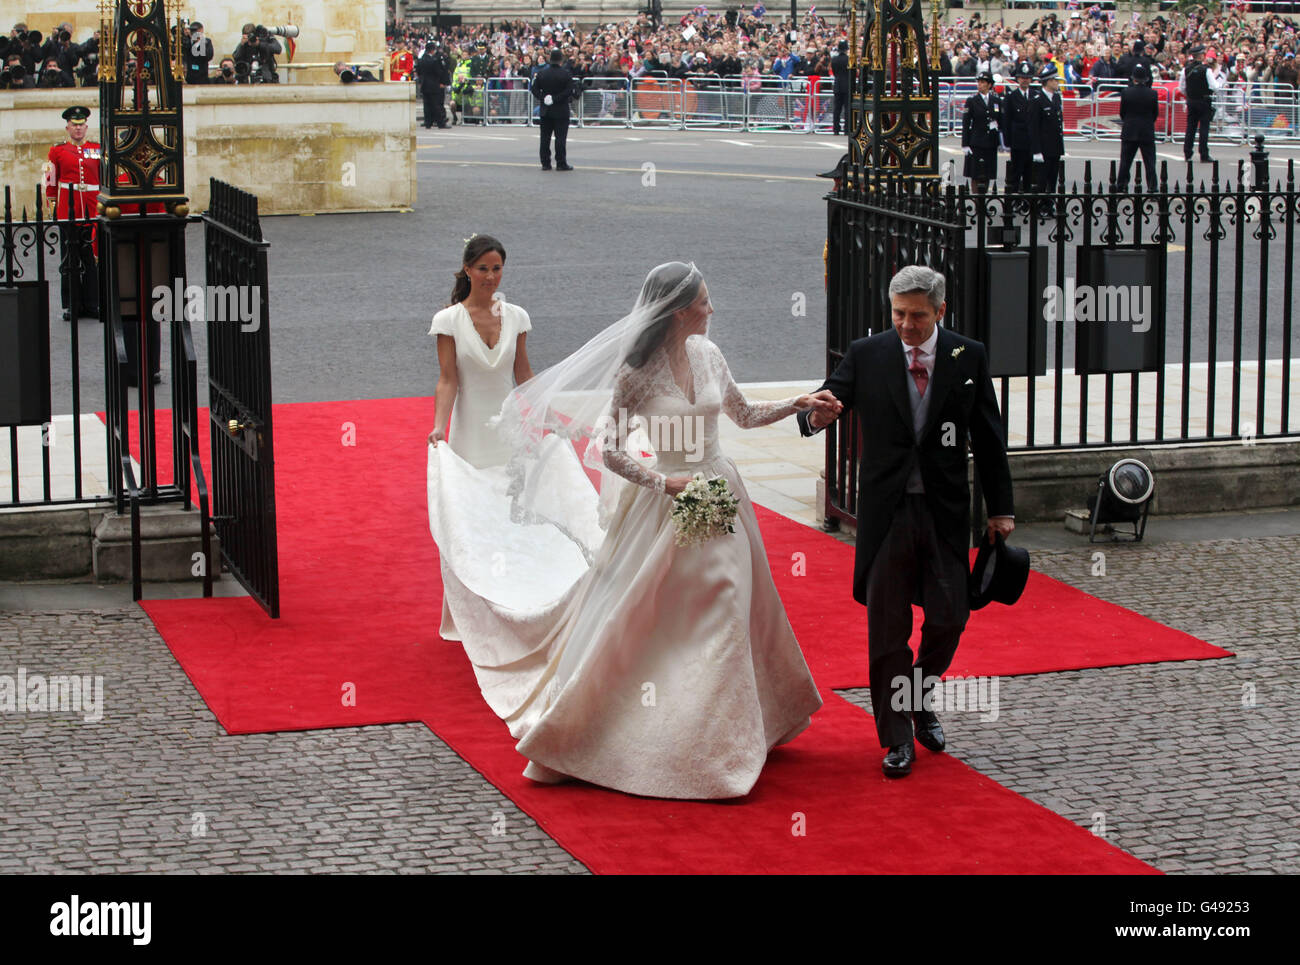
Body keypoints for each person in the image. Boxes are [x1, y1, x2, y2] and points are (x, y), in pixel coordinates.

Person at [427, 261, 835, 798]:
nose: (712, 310)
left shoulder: (709, 355)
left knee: (730, 603)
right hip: (665, 503)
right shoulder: (636, 374)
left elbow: (742, 413)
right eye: (704, 302)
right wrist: (663, 484)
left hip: (720, 495)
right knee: (652, 616)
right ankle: (652, 727)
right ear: (677, 310)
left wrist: (798, 404)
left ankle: (727, 736)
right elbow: (609, 450)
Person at [797, 265, 1015, 778]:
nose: (906, 325)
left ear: (941, 311)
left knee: (949, 617)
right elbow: (827, 400)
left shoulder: (968, 356)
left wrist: (1000, 509)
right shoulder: (868, 353)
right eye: (898, 314)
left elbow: (988, 436)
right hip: (886, 514)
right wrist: (816, 416)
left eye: (917, 315)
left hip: (943, 512)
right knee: (887, 630)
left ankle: (918, 694)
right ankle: (896, 737)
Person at [426, 235, 535, 638]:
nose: (490, 276)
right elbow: (447, 380)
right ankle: (470, 614)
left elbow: (523, 374)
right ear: (468, 270)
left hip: (509, 433)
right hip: (469, 432)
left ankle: (512, 603)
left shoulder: (518, 316)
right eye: (483, 268)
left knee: (511, 516)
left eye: (497, 268)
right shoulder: (448, 321)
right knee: (473, 519)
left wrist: (540, 416)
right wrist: (439, 425)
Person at [41, 105, 100, 322]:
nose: (78, 129)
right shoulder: (57, 151)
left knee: (93, 259)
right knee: (70, 259)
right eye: (74, 125)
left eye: (81, 125)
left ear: (86, 127)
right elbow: (50, 181)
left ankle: (93, 303)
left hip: (92, 208)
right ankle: (72, 305)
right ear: (68, 127)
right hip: (69, 209)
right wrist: (53, 207)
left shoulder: (97, 149)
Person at [531, 47, 577, 170]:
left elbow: (534, 89)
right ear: (560, 60)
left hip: (546, 110)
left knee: (545, 138)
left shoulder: (542, 73)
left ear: (550, 59)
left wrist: (543, 97)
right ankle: (561, 162)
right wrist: (556, 98)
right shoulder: (565, 74)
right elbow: (569, 91)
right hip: (561, 110)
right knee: (560, 138)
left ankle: (545, 163)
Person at [1117, 63, 1159, 192]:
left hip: (1130, 129)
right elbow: (1155, 113)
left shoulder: (1126, 93)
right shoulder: (1152, 93)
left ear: (1133, 79)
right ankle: (1152, 187)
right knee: (1150, 162)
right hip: (1146, 130)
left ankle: (1122, 185)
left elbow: (1122, 112)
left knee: (1125, 161)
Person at [1030, 64, 1065, 215]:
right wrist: (1036, 150)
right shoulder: (1037, 100)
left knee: (1053, 179)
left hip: (1055, 146)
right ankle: (1039, 206)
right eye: (1054, 80)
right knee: (1041, 180)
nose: (1056, 83)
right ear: (1047, 82)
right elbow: (1034, 127)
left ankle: (1049, 205)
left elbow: (1058, 122)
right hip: (1043, 147)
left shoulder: (1056, 97)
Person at [961, 71, 1002, 193]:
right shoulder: (972, 101)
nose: (980, 84)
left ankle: (984, 198)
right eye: (979, 82)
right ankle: (977, 200)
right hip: (977, 141)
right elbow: (966, 123)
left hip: (991, 142)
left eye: (983, 82)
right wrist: (965, 144)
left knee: (988, 172)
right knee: (976, 173)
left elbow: (1000, 119)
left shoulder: (996, 101)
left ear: (989, 85)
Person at [1179, 45, 1219, 163]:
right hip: (1204, 101)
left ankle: (1187, 152)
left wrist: (1190, 94)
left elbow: (1182, 87)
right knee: (1204, 128)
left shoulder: (1185, 69)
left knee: (1190, 127)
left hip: (1191, 100)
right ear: (1201, 56)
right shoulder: (1206, 69)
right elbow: (1214, 86)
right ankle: (1204, 153)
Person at [1002, 60, 1035, 196]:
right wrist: (1008, 141)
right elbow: (1007, 120)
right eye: (1022, 78)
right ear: (1017, 79)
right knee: (1016, 172)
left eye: (1027, 78)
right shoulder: (1011, 97)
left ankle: (1027, 200)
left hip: (1032, 140)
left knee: (1030, 173)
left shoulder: (1035, 95)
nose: (1025, 81)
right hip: (1018, 140)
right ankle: (1014, 200)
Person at [416, 43, 450, 128]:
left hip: (425, 85)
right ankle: (440, 123)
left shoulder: (421, 60)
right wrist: (443, 82)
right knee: (436, 105)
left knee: (427, 105)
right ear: (432, 50)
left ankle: (428, 123)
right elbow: (439, 72)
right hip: (434, 84)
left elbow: (418, 71)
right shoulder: (434, 60)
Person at [830, 39, 850, 136]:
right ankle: (847, 129)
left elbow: (834, 72)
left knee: (837, 109)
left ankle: (836, 129)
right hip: (847, 85)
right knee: (847, 109)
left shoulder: (834, 59)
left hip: (837, 85)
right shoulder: (849, 59)